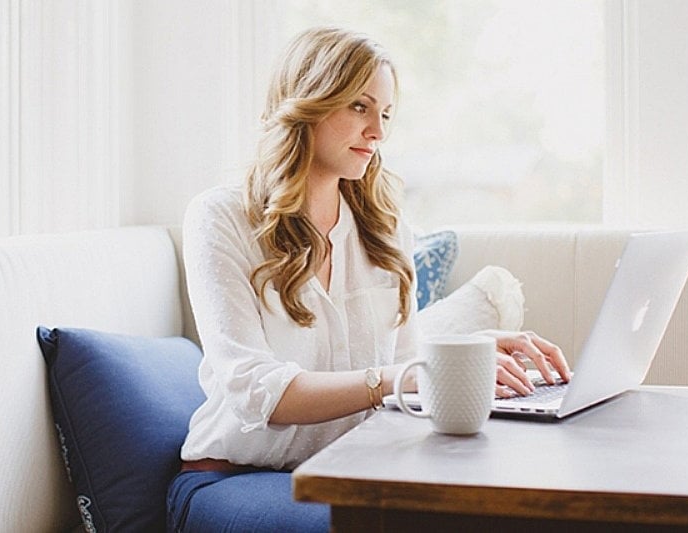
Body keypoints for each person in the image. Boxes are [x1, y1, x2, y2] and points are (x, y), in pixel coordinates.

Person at [167, 26, 571, 532]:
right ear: (309, 102)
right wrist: (404, 378)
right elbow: (256, 391)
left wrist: (466, 358)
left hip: (356, 473)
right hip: (235, 476)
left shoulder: (384, 228)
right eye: (359, 107)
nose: (377, 132)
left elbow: (404, 371)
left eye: (385, 114)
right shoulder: (221, 216)